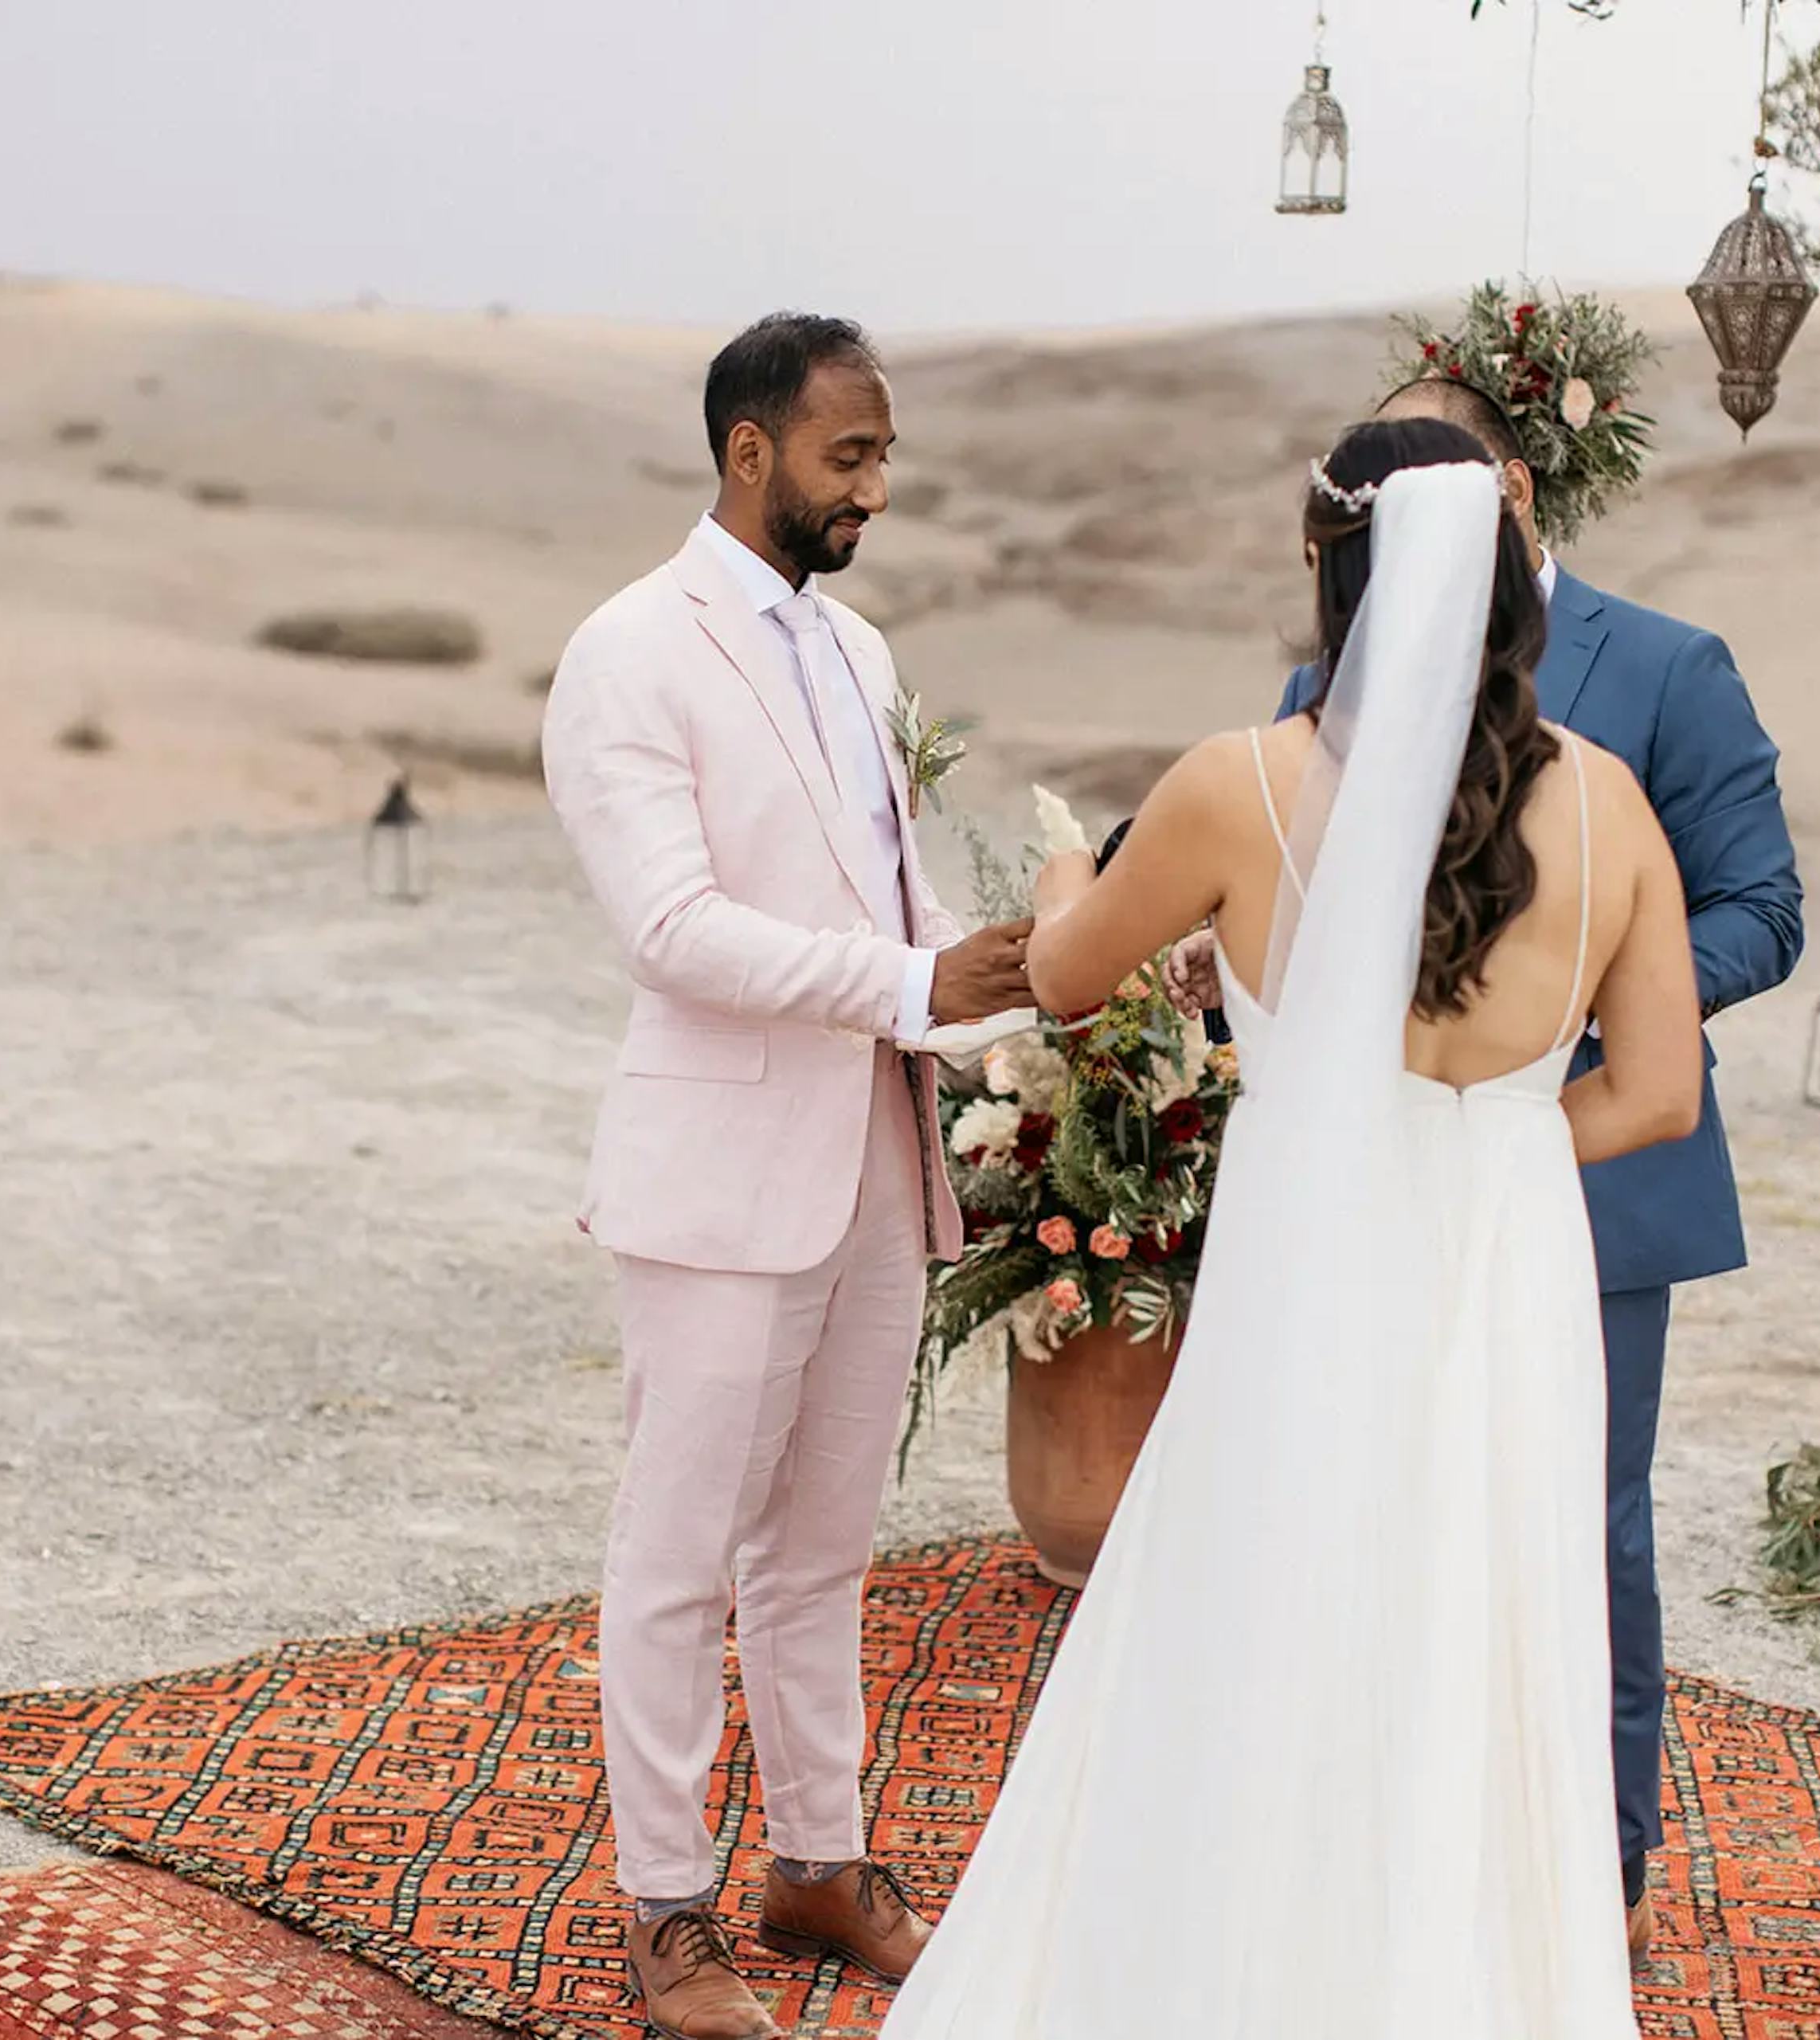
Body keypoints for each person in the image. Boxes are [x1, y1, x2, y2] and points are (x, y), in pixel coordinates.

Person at [879, 427, 1703, 2036]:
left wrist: (1066, 865)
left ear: (1337, 576)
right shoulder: (1611, 812)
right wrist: (1499, 1152)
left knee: (1259, 1601)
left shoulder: (1235, 789)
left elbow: (1061, 974)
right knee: (1480, 1624)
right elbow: (1661, 1090)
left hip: (1312, 1274)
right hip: (1501, 1287)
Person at [1176, 374, 1801, 1952]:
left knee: (1575, 1533)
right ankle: (1376, 1862)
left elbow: (1764, 906)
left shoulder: (1668, 666)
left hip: (1576, 1180)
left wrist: (1595, 1003)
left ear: (1514, 485)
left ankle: (1594, 1883)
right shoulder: (1329, 676)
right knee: (1361, 1509)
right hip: (1359, 1194)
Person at [539, 311, 1036, 2040]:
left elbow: (883, 920)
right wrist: (916, 988)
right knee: (677, 1554)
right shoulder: (630, 653)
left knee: (824, 1550)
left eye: (886, 458)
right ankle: (664, 1911)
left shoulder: (862, 653)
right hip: (716, 1179)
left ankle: (818, 1865)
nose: (876, 491)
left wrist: (1040, 961)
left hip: (877, 1173)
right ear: (749, 450)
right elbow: (675, 930)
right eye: (851, 458)